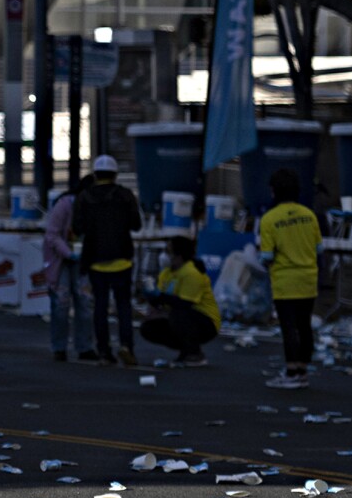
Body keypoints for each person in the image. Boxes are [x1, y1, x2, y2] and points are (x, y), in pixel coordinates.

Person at [257, 167, 322, 389]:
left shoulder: (269, 219)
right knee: (304, 326)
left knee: (289, 327)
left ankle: (292, 371)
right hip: (308, 279)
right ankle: (303, 369)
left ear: (274, 191)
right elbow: (319, 249)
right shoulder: (309, 215)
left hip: (285, 281)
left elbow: (266, 256)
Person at [73, 154, 141, 365]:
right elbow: (136, 225)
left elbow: (77, 229)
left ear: (95, 174)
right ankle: (126, 346)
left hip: (96, 260)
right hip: (122, 259)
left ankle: (103, 351)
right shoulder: (126, 195)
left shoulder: (84, 197)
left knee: (100, 307)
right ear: (115, 174)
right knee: (123, 306)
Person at [41, 174, 97, 362]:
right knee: (61, 303)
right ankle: (59, 347)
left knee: (84, 302)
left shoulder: (93, 208)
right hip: (61, 259)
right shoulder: (65, 205)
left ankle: (84, 346)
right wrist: (68, 253)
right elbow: (52, 234)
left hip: (81, 259)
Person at [140, 236, 220, 365]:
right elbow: (161, 300)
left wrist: (159, 297)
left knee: (178, 314)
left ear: (179, 255)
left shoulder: (191, 273)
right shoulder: (166, 274)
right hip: (182, 317)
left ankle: (194, 353)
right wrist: (151, 297)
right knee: (149, 328)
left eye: (168, 252)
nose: (164, 255)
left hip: (206, 321)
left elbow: (185, 303)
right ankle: (186, 349)